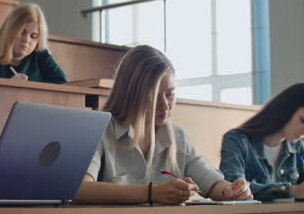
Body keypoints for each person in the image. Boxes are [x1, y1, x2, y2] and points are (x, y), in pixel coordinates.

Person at [75, 45, 253, 205]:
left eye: (170, 95)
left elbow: (210, 181)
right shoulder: (100, 129)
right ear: (131, 93)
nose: (165, 106)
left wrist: (230, 191)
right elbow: (79, 189)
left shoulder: (176, 135)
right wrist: (152, 193)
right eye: (153, 96)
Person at [220, 83, 304, 201]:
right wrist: (290, 191)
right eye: (303, 121)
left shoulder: (297, 146)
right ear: (286, 109)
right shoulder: (236, 140)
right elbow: (233, 188)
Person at [0, 3, 68, 84]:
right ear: (10, 30)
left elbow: (62, 83)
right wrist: (8, 86)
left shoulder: (41, 55)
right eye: (22, 32)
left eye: (33, 36)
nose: (26, 40)